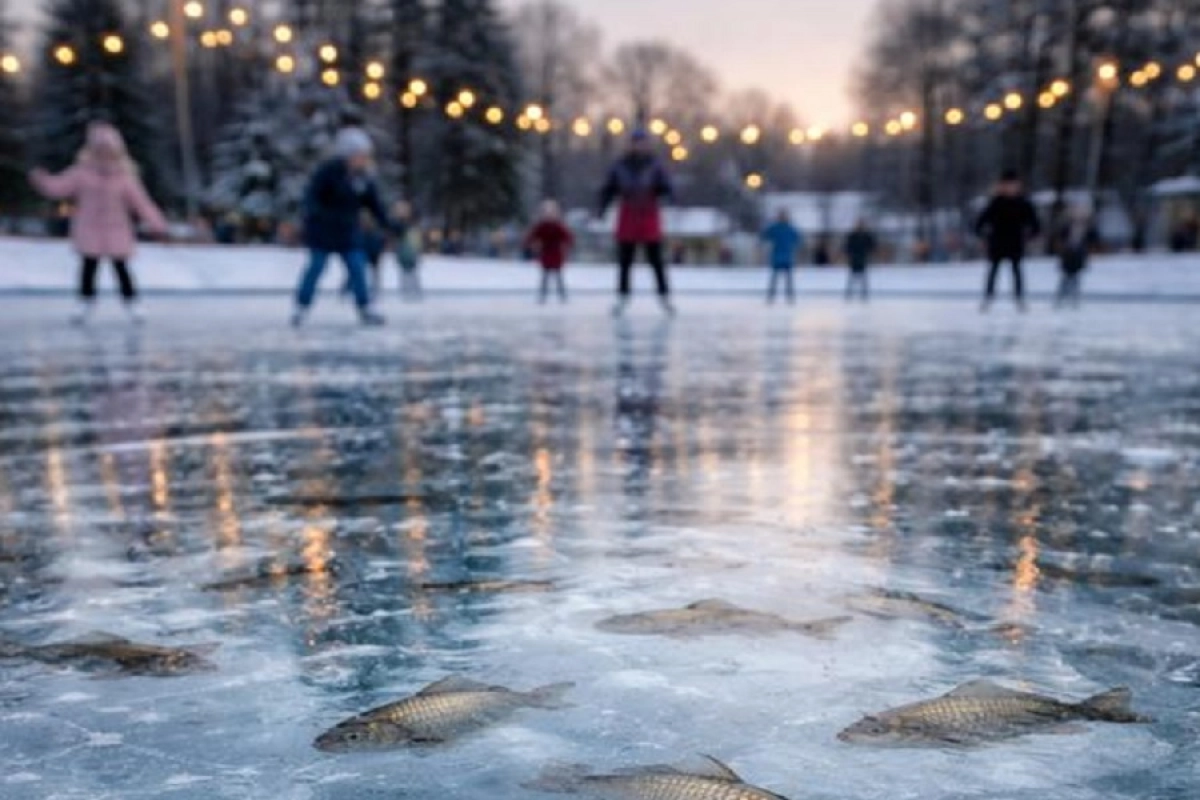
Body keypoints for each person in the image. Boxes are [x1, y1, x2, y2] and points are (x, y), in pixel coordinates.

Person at [29, 121, 169, 325]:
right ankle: (84, 303)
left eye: (109, 150)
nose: (104, 154)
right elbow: (59, 187)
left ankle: (132, 303)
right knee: (88, 267)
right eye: (100, 150)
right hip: (89, 229)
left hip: (117, 230)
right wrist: (42, 181)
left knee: (121, 268)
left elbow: (142, 202)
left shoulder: (124, 177)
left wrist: (157, 223)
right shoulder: (81, 172)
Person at [291, 128, 389, 327]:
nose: (363, 159)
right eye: (360, 155)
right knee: (316, 267)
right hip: (323, 232)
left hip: (347, 233)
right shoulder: (328, 172)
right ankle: (301, 307)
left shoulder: (363, 178)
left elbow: (373, 204)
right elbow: (312, 198)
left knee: (357, 267)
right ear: (349, 154)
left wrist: (388, 223)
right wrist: (317, 214)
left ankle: (365, 308)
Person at [599, 128, 675, 316]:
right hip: (628, 215)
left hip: (649, 215)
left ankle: (664, 296)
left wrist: (667, 194)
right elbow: (609, 188)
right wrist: (603, 207)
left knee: (655, 259)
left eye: (642, 143)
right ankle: (622, 296)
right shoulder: (621, 165)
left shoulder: (655, 165)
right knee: (625, 260)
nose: (639, 146)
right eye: (636, 143)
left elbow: (666, 185)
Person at [976, 170, 1041, 312]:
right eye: (1006, 185)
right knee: (993, 271)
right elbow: (980, 221)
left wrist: (1032, 235)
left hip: (1015, 243)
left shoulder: (1023, 203)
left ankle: (1019, 298)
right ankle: (988, 298)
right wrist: (981, 235)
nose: (1009, 188)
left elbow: (1034, 223)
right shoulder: (995, 203)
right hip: (997, 242)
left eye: (1012, 185)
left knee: (1016, 271)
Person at [525, 199, 574, 304]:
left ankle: (562, 296)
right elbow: (532, 235)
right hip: (546, 254)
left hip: (556, 255)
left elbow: (568, 237)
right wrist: (530, 244)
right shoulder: (541, 226)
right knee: (545, 278)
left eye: (551, 213)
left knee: (558, 277)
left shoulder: (558, 226)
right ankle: (543, 295)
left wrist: (567, 244)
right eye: (547, 213)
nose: (549, 216)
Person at [1054, 206, 1099, 309]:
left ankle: (1074, 299)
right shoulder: (1066, 227)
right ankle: (1060, 299)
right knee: (1065, 279)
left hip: (1078, 257)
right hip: (1068, 256)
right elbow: (1059, 240)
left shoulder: (1088, 229)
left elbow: (1092, 242)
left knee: (1075, 279)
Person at [761, 210, 803, 305]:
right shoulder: (780, 228)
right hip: (781, 257)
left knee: (785, 280)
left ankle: (786, 297)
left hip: (783, 257)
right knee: (779, 279)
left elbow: (764, 236)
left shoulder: (784, 228)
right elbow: (798, 239)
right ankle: (775, 297)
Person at [393, 200, 423, 302]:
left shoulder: (409, 227)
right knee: (406, 274)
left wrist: (417, 251)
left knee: (411, 274)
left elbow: (416, 241)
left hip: (409, 252)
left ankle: (413, 292)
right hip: (405, 252)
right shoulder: (400, 226)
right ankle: (408, 292)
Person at [843, 219, 878, 303]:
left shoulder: (866, 236)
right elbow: (847, 246)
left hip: (863, 258)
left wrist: (869, 253)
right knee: (852, 277)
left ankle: (863, 293)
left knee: (863, 277)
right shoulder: (852, 236)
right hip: (854, 258)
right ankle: (849, 293)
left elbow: (872, 246)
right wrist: (850, 254)